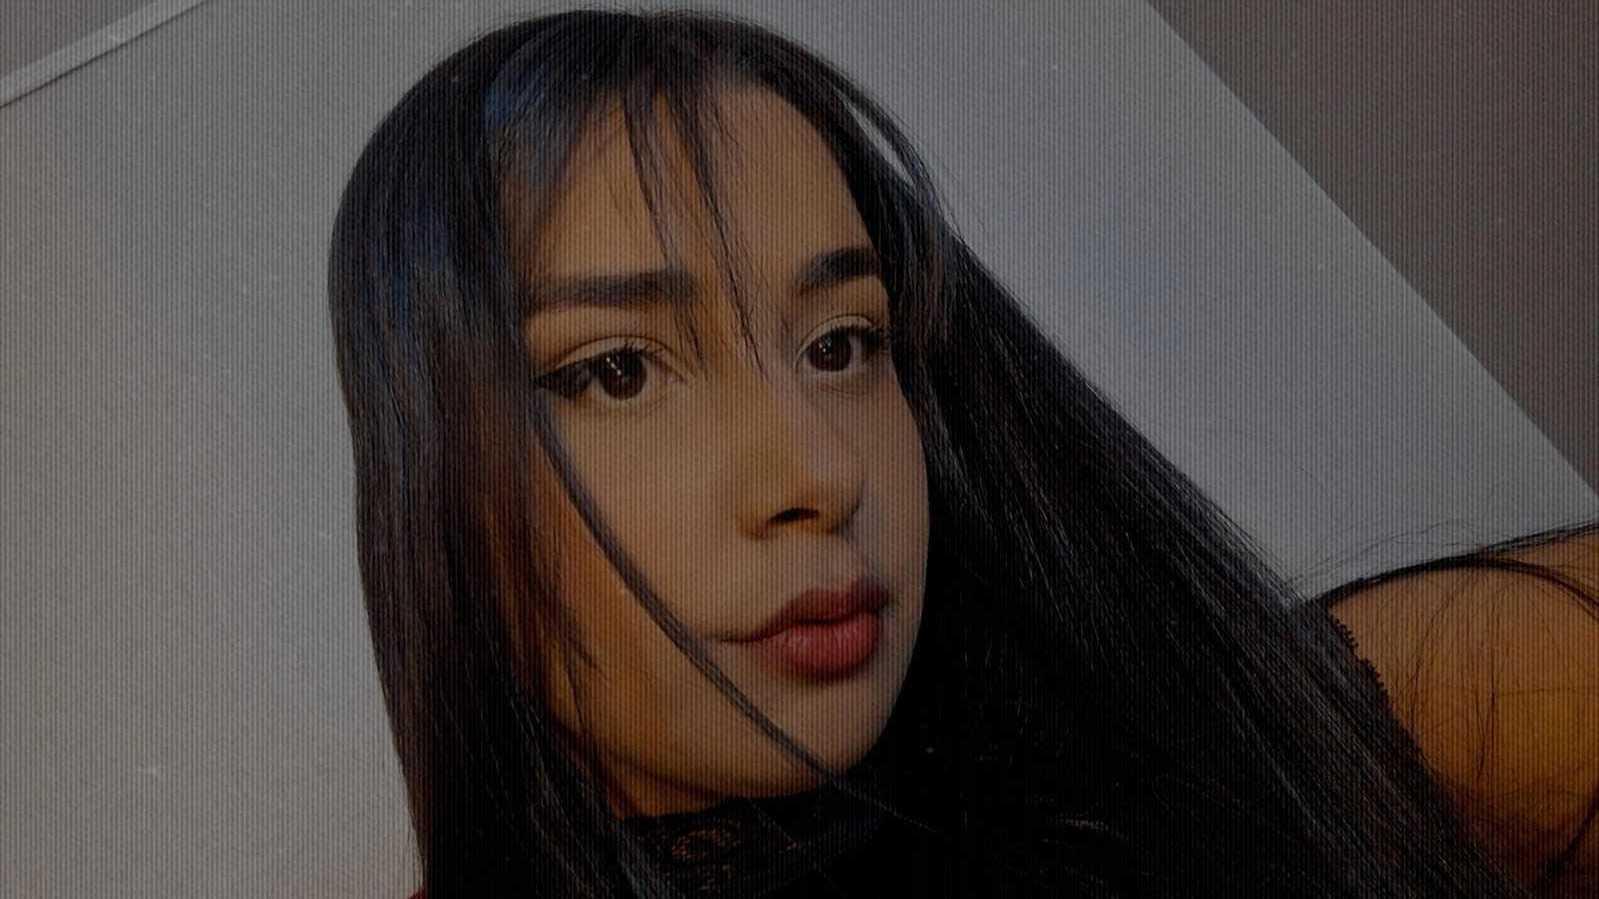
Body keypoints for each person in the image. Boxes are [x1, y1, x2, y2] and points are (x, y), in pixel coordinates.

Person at [325, 8, 1599, 896]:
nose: (818, 474)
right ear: (433, 486)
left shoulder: (1286, 736)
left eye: (842, 344)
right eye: (619, 370)